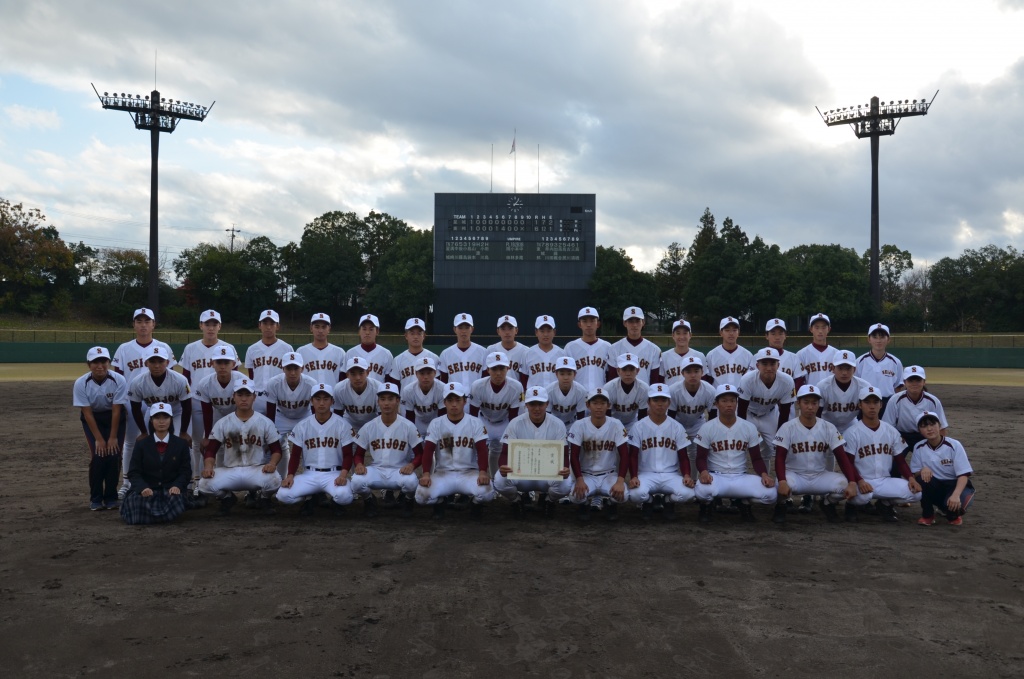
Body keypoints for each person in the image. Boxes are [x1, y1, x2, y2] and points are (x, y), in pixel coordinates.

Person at [112, 307, 176, 500]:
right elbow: (118, 378)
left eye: (147, 321)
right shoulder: (124, 348)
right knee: (132, 441)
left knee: (166, 441)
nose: (143, 325)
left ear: (153, 324)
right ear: (133, 325)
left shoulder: (163, 346)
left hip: (160, 402)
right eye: (139, 321)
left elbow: (171, 375)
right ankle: (127, 482)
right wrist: (121, 403)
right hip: (134, 402)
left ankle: (167, 479)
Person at [771, 385, 859, 524]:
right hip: (795, 475)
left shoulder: (828, 427)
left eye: (814, 403)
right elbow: (780, 457)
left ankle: (827, 503)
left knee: (847, 484)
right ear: (798, 403)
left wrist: (853, 481)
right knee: (778, 486)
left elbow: (842, 458)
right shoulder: (788, 427)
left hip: (819, 476)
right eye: (806, 402)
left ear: (819, 405)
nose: (810, 407)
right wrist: (782, 480)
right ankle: (781, 505)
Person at [198, 377, 283, 516]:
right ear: (234, 397)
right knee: (204, 485)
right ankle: (227, 498)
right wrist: (208, 467)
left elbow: (277, 450)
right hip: (230, 471)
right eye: (240, 395)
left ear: (254, 397)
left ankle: (264, 498)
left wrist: (272, 463)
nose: (244, 399)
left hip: (257, 470)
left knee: (275, 480)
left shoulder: (265, 422)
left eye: (248, 395)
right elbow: (211, 451)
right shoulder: (223, 422)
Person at [693, 384, 777, 523]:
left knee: (771, 494)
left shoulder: (748, 427)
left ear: (737, 403)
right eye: (724, 401)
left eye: (732, 400)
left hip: (740, 476)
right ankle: (707, 506)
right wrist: (703, 472)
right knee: (702, 491)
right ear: (716, 404)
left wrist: (764, 475)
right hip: (716, 476)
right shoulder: (707, 427)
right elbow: (701, 457)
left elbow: (756, 458)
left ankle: (744, 503)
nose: (729, 405)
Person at [415, 383, 496, 519]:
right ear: (444, 402)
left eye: (458, 400)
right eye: (450, 400)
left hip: (469, 473)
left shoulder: (475, 422)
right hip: (443, 474)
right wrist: (426, 474)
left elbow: (483, 450)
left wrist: (483, 472)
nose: (454, 404)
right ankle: (440, 502)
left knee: (487, 493)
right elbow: (428, 451)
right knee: (421, 497)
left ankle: (475, 504)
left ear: (464, 401)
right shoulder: (436, 423)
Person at [841, 385, 922, 522]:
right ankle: (851, 505)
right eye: (867, 402)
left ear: (881, 405)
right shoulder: (852, 432)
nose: (872, 406)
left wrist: (910, 478)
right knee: (864, 497)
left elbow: (900, 461)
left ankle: (884, 504)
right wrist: (858, 481)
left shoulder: (891, 431)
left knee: (916, 494)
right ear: (860, 405)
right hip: (862, 480)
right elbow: (847, 463)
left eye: (875, 402)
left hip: (885, 480)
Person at [276, 383, 357, 515]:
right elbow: (295, 455)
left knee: (344, 497)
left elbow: (348, 455)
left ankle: (334, 502)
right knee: (283, 495)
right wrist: (290, 475)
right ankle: (309, 498)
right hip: (309, 474)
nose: (321, 403)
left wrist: (343, 475)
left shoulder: (342, 425)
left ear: (332, 401)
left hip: (333, 474)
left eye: (325, 399)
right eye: (317, 399)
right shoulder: (302, 425)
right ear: (311, 401)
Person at [493, 385, 573, 518]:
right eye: (532, 404)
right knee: (499, 480)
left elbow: (564, 453)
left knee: (566, 484)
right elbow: (505, 452)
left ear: (547, 404)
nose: (537, 408)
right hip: (521, 476)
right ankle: (516, 500)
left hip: (548, 476)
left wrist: (565, 468)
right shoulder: (515, 423)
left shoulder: (557, 424)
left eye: (540, 404)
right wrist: (502, 466)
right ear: (526, 405)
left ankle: (548, 500)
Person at [350, 383, 425, 518]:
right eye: (383, 399)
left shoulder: (408, 426)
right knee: (356, 482)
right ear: (378, 401)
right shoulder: (369, 426)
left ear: (397, 401)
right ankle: (369, 501)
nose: (386, 403)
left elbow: (420, 454)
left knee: (412, 482)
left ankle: (408, 500)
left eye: (390, 399)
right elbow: (358, 454)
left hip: (399, 471)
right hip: (376, 470)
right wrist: (359, 464)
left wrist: (412, 465)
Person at [555, 387, 630, 522]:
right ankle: (584, 505)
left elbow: (625, 455)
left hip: (609, 474)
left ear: (608, 405)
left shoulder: (616, 424)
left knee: (623, 495)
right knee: (575, 496)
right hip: (586, 475)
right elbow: (574, 456)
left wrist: (620, 481)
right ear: (588, 405)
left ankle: (611, 504)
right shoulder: (579, 425)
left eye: (602, 403)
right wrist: (579, 479)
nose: (599, 407)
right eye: (595, 403)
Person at [627, 384, 696, 520]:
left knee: (688, 493)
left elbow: (683, 457)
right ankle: (648, 502)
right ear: (648, 402)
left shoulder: (677, 427)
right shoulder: (638, 426)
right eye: (655, 400)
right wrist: (634, 476)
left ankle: (668, 502)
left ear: (669, 403)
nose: (660, 404)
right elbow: (633, 456)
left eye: (663, 400)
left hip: (670, 475)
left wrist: (687, 475)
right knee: (635, 495)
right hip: (646, 474)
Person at [73, 346, 128, 510]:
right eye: (95, 362)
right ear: (88, 364)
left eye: (103, 361)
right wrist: (98, 439)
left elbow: (117, 410)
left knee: (113, 455)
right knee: (98, 455)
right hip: (93, 420)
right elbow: (87, 413)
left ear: (109, 363)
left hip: (115, 418)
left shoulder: (119, 379)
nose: (100, 366)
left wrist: (112, 437)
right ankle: (96, 498)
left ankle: (111, 497)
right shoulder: (81, 383)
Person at [120, 402, 191, 525]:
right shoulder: (141, 444)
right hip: (148, 489)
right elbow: (134, 472)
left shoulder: (181, 444)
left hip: (170, 490)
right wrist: (143, 487)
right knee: (135, 502)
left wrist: (177, 486)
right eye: (157, 418)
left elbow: (185, 471)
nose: (161, 421)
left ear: (171, 420)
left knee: (175, 500)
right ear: (151, 420)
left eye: (165, 417)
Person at [911, 411, 974, 526]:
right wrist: (922, 470)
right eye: (924, 426)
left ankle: (951, 512)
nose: (929, 429)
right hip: (935, 485)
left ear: (939, 426)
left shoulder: (954, 445)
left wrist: (956, 495)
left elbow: (963, 475)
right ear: (919, 430)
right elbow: (915, 473)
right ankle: (928, 515)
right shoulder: (919, 447)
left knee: (953, 512)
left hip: (954, 485)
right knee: (921, 478)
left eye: (932, 424)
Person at [737, 347, 795, 472]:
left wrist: (780, 435)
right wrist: (743, 430)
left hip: (770, 415)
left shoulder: (787, 381)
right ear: (757, 365)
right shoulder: (747, 380)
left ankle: (780, 481)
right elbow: (741, 410)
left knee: (778, 448)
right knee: (740, 447)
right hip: (748, 414)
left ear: (778, 365)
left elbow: (784, 412)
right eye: (764, 363)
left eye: (772, 363)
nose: (769, 368)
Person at [127, 347, 193, 455]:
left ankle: (189, 472)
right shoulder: (137, 382)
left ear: (167, 362)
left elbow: (187, 407)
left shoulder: (180, 380)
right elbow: (136, 409)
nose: (157, 365)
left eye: (161, 361)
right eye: (152, 361)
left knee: (183, 444)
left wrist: (183, 432)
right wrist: (144, 432)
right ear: (146, 363)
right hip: (153, 413)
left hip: (176, 412)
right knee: (147, 445)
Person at [469, 352, 524, 476]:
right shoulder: (478, 386)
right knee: (476, 450)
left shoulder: (516, 386)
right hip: (483, 421)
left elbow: (513, 416)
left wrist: (511, 436)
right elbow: (473, 415)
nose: (498, 373)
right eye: (494, 369)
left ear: (508, 368)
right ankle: (477, 478)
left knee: (501, 451)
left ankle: (497, 479)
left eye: (501, 368)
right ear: (488, 369)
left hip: (504, 422)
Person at [265, 351, 317, 477]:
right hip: (281, 416)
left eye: (296, 368)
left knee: (310, 445)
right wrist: (271, 432)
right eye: (289, 368)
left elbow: (315, 409)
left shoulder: (311, 384)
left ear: (302, 368)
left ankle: (310, 476)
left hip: (304, 416)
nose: (292, 372)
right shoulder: (273, 383)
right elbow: (270, 411)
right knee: (271, 443)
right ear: (283, 368)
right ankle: (277, 477)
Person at [882, 365, 948, 452]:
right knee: (893, 464)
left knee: (931, 462)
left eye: (918, 380)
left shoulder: (933, 401)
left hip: (924, 436)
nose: (914, 384)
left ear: (924, 382)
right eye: (910, 380)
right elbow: (888, 426)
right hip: (901, 435)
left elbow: (941, 427)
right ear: (905, 382)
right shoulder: (895, 400)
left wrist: (941, 450)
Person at [668, 356, 716, 471]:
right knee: (674, 451)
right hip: (677, 422)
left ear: (702, 372)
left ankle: (694, 480)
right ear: (682, 373)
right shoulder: (673, 390)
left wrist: (708, 435)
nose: (693, 375)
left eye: (696, 371)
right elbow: (670, 416)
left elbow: (713, 416)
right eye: (688, 372)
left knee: (695, 453)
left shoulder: (710, 390)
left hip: (698, 423)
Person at [244, 309, 294, 416]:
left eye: (272, 324)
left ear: (278, 326)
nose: (268, 327)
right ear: (259, 325)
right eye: (265, 323)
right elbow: (251, 376)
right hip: (257, 397)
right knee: (257, 431)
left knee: (277, 430)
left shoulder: (287, 348)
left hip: (279, 397)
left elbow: (290, 374)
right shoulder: (252, 349)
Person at [816, 349, 872, 435]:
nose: (844, 373)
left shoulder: (864, 387)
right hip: (826, 425)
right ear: (832, 368)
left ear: (854, 369)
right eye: (840, 368)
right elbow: (817, 414)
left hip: (851, 425)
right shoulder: (822, 387)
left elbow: (866, 413)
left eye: (848, 368)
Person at [856, 323, 905, 412]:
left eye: (882, 337)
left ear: (888, 339)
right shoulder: (860, 361)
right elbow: (855, 384)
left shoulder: (895, 362)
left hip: (888, 403)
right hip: (866, 402)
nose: (878, 340)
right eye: (875, 337)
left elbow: (898, 387)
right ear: (869, 339)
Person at [563, 306, 614, 391]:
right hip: (578, 396)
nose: (589, 324)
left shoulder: (607, 347)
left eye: (592, 321)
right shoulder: (570, 347)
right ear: (579, 324)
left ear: (598, 324)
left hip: (600, 397)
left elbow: (610, 374)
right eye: (585, 321)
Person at [438, 312, 487, 394]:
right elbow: (443, 382)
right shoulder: (446, 354)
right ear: (454, 329)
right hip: (454, 401)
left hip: (477, 400)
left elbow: (486, 380)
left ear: (472, 329)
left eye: (467, 327)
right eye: (460, 327)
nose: (464, 331)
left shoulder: (483, 352)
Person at [610, 306, 661, 384]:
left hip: (645, 394)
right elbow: (612, 379)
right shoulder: (614, 348)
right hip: (620, 395)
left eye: (637, 321)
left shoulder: (654, 350)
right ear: (624, 323)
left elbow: (655, 380)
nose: (634, 325)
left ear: (643, 322)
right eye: (630, 321)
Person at [602, 353, 649, 434]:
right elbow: (606, 415)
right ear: (618, 371)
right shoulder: (608, 388)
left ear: (637, 371)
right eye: (624, 369)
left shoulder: (644, 388)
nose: (628, 373)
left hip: (633, 423)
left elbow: (642, 415)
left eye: (631, 369)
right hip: (612, 423)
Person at [333, 356, 382, 432]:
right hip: (349, 424)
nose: (358, 378)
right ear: (347, 375)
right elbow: (337, 415)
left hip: (372, 424)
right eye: (353, 374)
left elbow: (381, 415)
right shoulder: (339, 388)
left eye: (361, 373)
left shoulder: (378, 388)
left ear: (367, 373)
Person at [296, 312, 346, 387]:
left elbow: (344, 380)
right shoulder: (301, 352)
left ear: (329, 329)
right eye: (317, 327)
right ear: (311, 328)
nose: (320, 330)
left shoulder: (339, 352)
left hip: (332, 396)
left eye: (324, 327)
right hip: (308, 396)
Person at [400, 356, 446, 437]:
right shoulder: (408, 390)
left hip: (435, 420)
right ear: (416, 374)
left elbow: (442, 415)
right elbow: (409, 415)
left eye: (429, 373)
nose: (425, 377)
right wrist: (413, 434)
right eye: (422, 373)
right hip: (417, 421)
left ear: (435, 373)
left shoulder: (442, 388)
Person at [389, 317, 439, 390]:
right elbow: (395, 387)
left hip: (429, 401)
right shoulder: (397, 360)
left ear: (424, 336)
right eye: (412, 333)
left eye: (419, 333)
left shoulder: (434, 358)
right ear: (406, 335)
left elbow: (438, 385)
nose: (415, 337)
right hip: (405, 400)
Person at [519, 315, 566, 389]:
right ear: (536, 332)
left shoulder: (562, 354)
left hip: (555, 398)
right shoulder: (527, 353)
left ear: (554, 332)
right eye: (542, 331)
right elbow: (523, 379)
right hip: (534, 397)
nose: (545, 334)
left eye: (549, 331)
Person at [704, 316, 752, 388]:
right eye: (727, 330)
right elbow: (708, 381)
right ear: (721, 332)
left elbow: (751, 381)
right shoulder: (711, 355)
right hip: (718, 397)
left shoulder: (748, 355)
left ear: (738, 332)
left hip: (740, 397)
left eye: (734, 330)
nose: (731, 333)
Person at [758, 318, 805, 389]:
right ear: (766, 336)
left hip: (788, 399)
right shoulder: (758, 357)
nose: (777, 337)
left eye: (780, 333)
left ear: (785, 335)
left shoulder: (794, 358)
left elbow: (799, 382)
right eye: (773, 334)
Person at [347, 313, 394, 382]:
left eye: (371, 329)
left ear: (377, 331)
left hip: (379, 392)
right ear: (359, 331)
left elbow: (389, 381)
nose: (367, 332)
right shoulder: (350, 353)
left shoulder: (386, 354)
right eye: (364, 329)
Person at [660, 319, 706, 388]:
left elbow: (704, 381)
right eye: (678, 333)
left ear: (690, 335)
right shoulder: (664, 356)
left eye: (685, 333)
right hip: (670, 397)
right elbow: (660, 381)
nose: (681, 337)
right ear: (673, 335)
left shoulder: (700, 356)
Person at [797, 312, 837, 390]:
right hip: (810, 398)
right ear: (811, 329)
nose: (820, 331)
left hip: (831, 398)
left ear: (829, 329)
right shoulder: (801, 354)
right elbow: (799, 381)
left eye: (823, 327)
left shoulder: (837, 354)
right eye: (817, 327)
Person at [545, 356, 588, 427]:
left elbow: (581, 417)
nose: (565, 377)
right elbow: (546, 415)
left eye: (569, 374)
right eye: (562, 374)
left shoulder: (581, 391)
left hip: (573, 423)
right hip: (552, 424)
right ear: (556, 374)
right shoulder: (549, 391)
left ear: (574, 374)